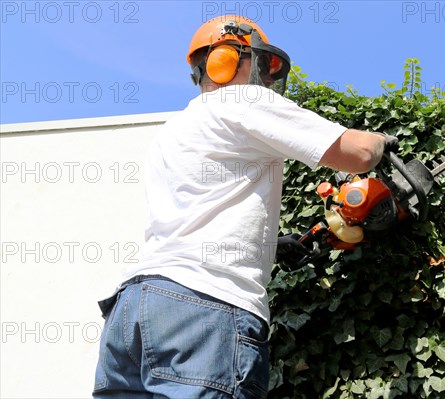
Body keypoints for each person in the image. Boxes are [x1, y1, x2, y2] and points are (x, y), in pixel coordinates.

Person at [92, 14, 396, 399]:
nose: (268, 80)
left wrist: (270, 245)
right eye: (263, 65)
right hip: (205, 309)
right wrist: (383, 139)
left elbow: (203, 213)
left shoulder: (174, 130)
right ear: (227, 59)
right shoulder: (242, 100)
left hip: (131, 310)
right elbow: (360, 153)